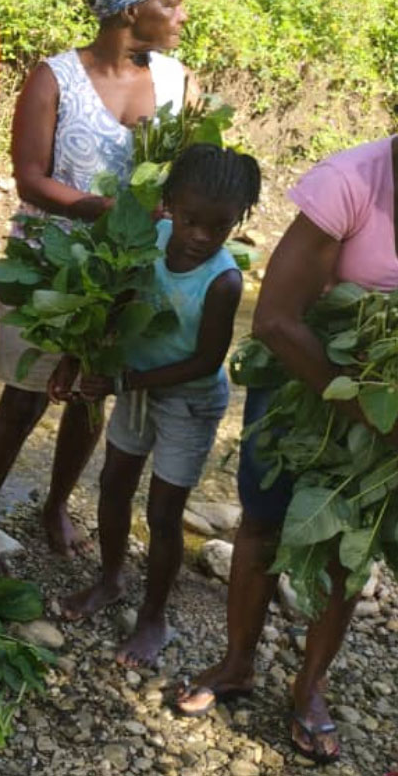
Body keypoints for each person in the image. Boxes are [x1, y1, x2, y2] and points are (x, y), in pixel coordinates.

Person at [0, 0, 195, 562]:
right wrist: (101, 210)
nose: (180, 15)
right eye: (168, 3)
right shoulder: (55, 78)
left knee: (91, 396)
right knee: (24, 398)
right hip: (51, 265)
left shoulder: (177, 82)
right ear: (126, 12)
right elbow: (32, 176)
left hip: (126, 269)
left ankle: (55, 505)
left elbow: (187, 176)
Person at [176, 135, 398, 765]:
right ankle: (236, 663)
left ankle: (309, 689)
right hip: (305, 378)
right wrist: (371, 414)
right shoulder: (350, 182)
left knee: (347, 544)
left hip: (379, 406)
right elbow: (274, 319)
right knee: (266, 521)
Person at [54, 144, 260, 666]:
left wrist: (125, 381)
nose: (200, 237)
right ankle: (110, 579)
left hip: (186, 403)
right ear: (169, 204)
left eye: (219, 227)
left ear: (237, 223)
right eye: (190, 220)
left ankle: (153, 617)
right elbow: (115, 302)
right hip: (135, 384)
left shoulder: (223, 281)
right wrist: (75, 359)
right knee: (113, 483)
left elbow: (204, 361)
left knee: (164, 514)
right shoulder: (146, 239)